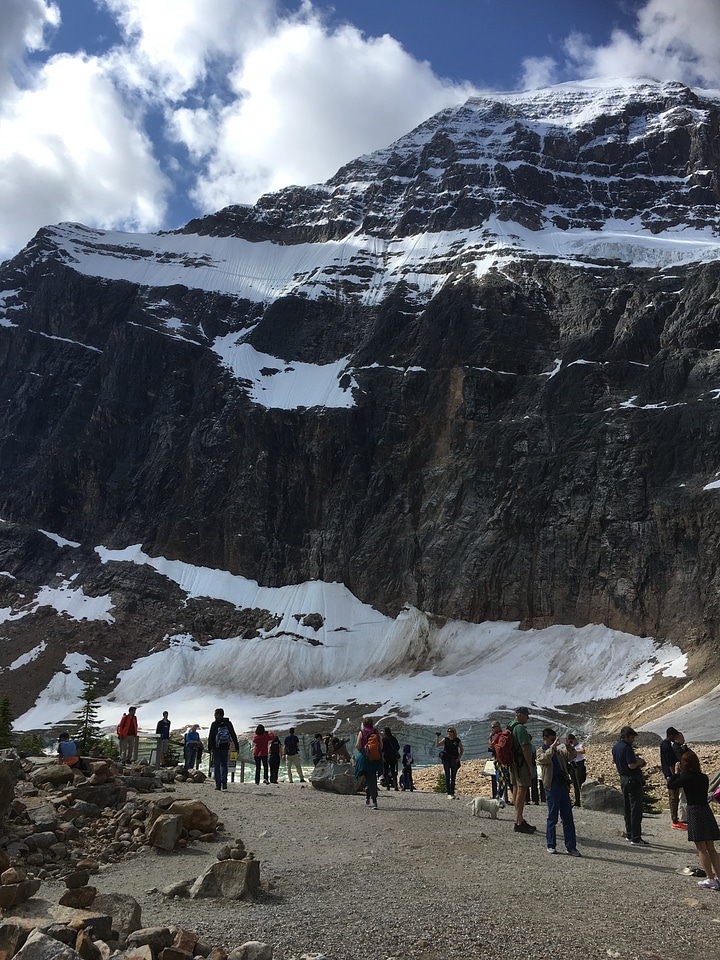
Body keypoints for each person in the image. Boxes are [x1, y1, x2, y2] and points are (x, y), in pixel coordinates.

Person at [667, 750, 720, 890]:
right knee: (711, 848)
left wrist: (676, 772)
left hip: (694, 811)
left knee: (701, 849)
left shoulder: (686, 777)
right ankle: (719, 877)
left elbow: (671, 785)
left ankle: (710, 878)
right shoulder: (703, 777)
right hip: (705, 810)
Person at [536, 727, 581, 856]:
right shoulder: (541, 750)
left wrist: (569, 745)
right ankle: (551, 844)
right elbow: (543, 759)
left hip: (563, 787)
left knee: (568, 818)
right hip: (552, 787)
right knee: (552, 817)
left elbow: (571, 756)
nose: (554, 741)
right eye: (551, 739)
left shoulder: (559, 753)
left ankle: (571, 846)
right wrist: (553, 747)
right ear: (545, 739)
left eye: (555, 739)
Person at [612, 725, 648, 845]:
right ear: (626, 737)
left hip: (623, 779)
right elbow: (631, 765)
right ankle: (636, 837)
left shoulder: (616, 747)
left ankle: (629, 833)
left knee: (627, 807)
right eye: (632, 737)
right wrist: (639, 762)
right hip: (632, 779)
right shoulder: (627, 748)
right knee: (635, 809)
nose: (633, 740)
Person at [508, 707, 536, 833]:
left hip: (513, 763)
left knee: (515, 788)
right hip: (521, 764)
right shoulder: (520, 728)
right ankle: (519, 822)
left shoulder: (511, 725)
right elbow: (525, 748)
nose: (527, 718)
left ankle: (519, 818)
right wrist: (530, 767)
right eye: (526, 715)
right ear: (520, 715)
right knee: (522, 790)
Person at [660, 727, 688, 829]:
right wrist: (675, 775)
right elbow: (670, 763)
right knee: (674, 797)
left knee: (674, 797)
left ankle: (676, 819)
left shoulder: (664, 744)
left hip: (670, 774)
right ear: (671, 736)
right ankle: (675, 820)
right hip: (671, 774)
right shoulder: (667, 747)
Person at [208, 708, 239, 791]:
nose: (214, 715)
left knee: (217, 766)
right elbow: (233, 734)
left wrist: (209, 747)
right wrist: (236, 745)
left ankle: (218, 785)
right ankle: (224, 782)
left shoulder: (214, 724)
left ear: (218, 714)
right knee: (224, 764)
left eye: (215, 714)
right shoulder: (228, 723)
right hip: (225, 747)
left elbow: (211, 736)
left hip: (216, 747)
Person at [356, 718, 383, 809]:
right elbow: (381, 745)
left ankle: (368, 794)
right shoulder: (376, 732)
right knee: (372, 779)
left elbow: (358, 746)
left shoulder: (362, 732)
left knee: (366, 778)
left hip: (365, 759)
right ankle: (374, 800)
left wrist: (364, 751)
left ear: (364, 724)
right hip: (375, 759)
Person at [435, 725, 464, 799]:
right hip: (446, 759)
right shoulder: (446, 739)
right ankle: (449, 792)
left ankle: (452, 792)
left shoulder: (457, 740)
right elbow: (437, 745)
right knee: (447, 776)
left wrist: (458, 758)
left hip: (454, 759)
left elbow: (461, 749)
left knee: (453, 776)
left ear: (454, 732)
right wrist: (437, 737)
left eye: (451, 731)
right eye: (448, 731)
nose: (449, 732)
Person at [488, 720, 511, 802]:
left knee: (502, 780)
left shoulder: (499, 735)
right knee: (506, 779)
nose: (493, 729)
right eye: (492, 727)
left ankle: (498, 797)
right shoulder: (503, 735)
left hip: (500, 761)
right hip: (505, 761)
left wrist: (490, 737)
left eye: (494, 727)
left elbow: (491, 745)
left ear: (498, 726)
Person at [566, 734, 587, 807]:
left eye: (572, 741)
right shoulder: (568, 747)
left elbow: (582, 750)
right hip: (571, 765)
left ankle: (584, 801)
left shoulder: (578, 745)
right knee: (574, 784)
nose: (571, 742)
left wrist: (573, 750)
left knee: (579, 783)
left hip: (578, 765)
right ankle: (577, 801)